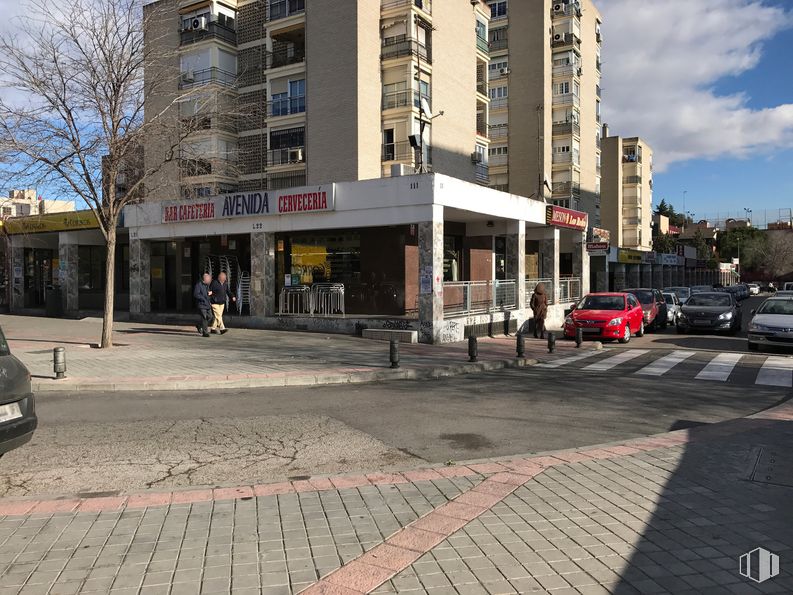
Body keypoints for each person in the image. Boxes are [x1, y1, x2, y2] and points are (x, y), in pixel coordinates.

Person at [193, 273, 213, 338]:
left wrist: (210, 293)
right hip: (201, 304)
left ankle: (200, 326)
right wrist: (203, 299)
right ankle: (205, 332)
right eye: (209, 278)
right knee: (204, 318)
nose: (210, 280)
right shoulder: (199, 285)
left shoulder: (207, 285)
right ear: (205, 278)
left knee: (210, 317)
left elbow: (207, 293)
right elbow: (196, 294)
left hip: (207, 304)